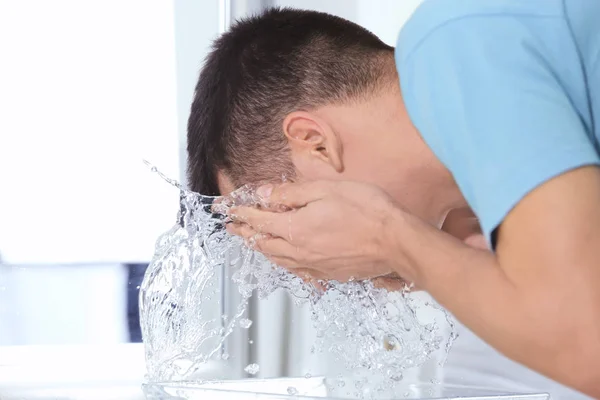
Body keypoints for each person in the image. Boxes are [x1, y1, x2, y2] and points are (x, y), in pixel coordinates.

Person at [186, 3, 600, 398]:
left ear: (315, 143)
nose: (319, 270)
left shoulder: (460, 40)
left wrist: (389, 236)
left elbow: (587, 348)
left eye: (293, 219)